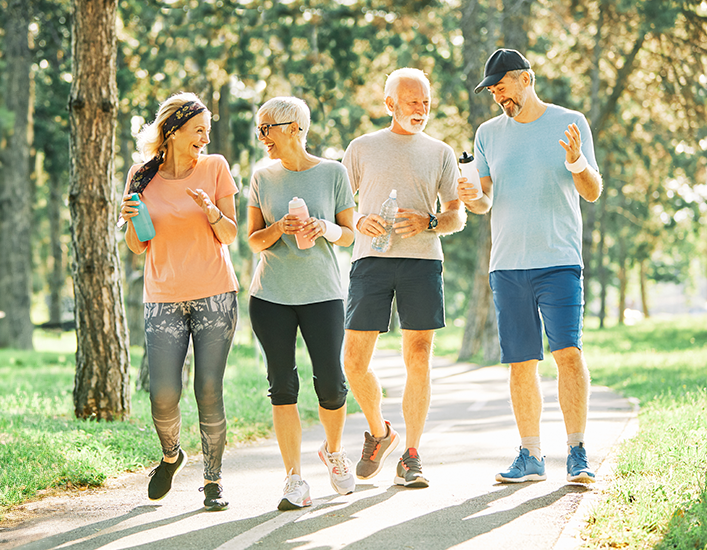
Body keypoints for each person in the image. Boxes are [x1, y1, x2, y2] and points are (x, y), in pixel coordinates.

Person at [459, 49, 603, 485]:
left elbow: (593, 191)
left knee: (568, 354)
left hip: (559, 260)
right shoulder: (487, 133)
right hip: (508, 265)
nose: (498, 96)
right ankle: (531, 455)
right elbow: (485, 200)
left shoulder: (569, 121)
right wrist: (472, 199)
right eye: (493, 90)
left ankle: (577, 453)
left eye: (502, 87)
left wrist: (576, 161)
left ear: (526, 79)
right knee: (521, 362)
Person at [341, 67, 465, 489]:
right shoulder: (361, 148)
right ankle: (380, 433)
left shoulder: (440, 152)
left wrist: (430, 221)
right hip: (370, 262)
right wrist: (361, 220)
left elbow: (455, 214)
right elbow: (341, 209)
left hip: (422, 262)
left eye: (426, 102)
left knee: (419, 355)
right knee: (354, 362)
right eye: (412, 101)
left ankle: (411, 455)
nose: (420, 108)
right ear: (389, 103)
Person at [120, 92, 239, 511]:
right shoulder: (141, 175)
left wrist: (210, 210)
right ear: (172, 132)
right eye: (198, 130)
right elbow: (138, 246)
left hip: (214, 294)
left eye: (208, 130)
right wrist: (132, 218)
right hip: (163, 298)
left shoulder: (215, 167)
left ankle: (213, 481)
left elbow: (229, 234)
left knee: (208, 389)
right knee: (163, 394)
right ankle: (172, 457)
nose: (205, 138)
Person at [246, 96, 359, 510]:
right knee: (283, 385)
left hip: (323, 293)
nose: (262, 138)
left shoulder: (333, 172)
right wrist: (278, 227)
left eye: (267, 129)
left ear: (294, 128)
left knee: (331, 383)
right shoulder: (263, 177)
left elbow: (350, 234)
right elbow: (254, 239)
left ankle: (333, 451)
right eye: (260, 130)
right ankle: (294, 478)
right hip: (271, 295)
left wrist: (323, 226)